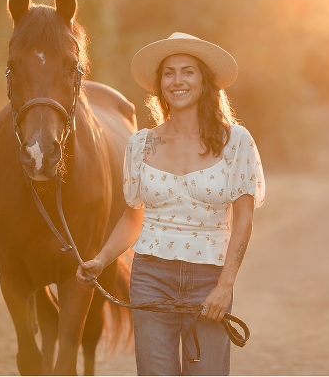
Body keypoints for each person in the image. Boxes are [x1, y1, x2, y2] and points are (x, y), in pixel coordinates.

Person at [76, 32, 265, 375]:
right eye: (169, 73)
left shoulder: (235, 141)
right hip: (151, 277)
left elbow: (244, 219)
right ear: (160, 84)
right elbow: (133, 217)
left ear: (204, 81)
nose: (177, 80)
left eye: (187, 71)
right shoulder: (140, 144)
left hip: (210, 279)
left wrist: (225, 287)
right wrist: (102, 259)